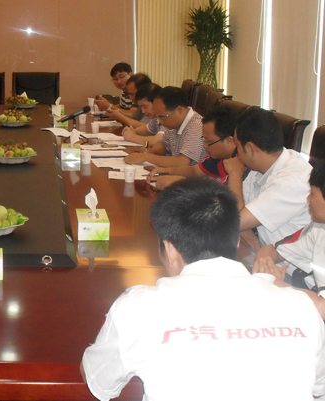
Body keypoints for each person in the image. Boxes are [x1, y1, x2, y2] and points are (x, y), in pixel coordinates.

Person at [81, 177, 325, 401]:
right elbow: (319, 387)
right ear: (236, 241)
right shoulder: (301, 306)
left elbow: (98, 381)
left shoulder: (139, 307)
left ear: (169, 250)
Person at [224, 106, 312, 249]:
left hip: (290, 261)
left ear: (250, 148)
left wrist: (234, 174)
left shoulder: (291, 181)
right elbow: (231, 209)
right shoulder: (262, 167)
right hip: (264, 251)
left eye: (237, 145)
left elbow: (235, 222)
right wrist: (247, 233)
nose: (236, 152)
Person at [253, 163, 325, 307]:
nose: (308, 199)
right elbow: (271, 250)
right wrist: (266, 266)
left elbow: (323, 308)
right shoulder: (319, 228)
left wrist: (275, 283)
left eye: (312, 193)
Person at [147, 104, 240, 190]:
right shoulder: (218, 155)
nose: (205, 146)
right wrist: (167, 171)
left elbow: (225, 193)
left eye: (209, 142)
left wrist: (182, 182)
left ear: (229, 141)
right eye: (204, 139)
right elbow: (195, 171)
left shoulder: (241, 163)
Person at [123, 86, 206, 167]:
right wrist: (152, 151)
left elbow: (183, 162)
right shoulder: (174, 123)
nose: (160, 121)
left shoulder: (197, 126)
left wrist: (146, 157)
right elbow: (164, 144)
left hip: (192, 175)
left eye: (162, 117)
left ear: (179, 110)